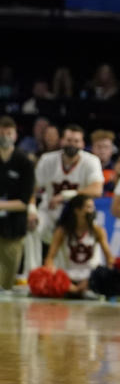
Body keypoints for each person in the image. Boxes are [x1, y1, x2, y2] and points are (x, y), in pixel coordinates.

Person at [29, 125, 104, 270]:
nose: (72, 144)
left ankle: (90, 274)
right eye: (69, 140)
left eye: (76, 141)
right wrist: (31, 210)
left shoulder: (91, 161)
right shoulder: (47, 159)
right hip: (49, 211)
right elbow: (32, 188)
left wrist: (64, 196)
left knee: (91, 234)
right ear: (62, 141)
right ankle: (32, 273)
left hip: (78, 214)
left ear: (82, 143)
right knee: (32, 227)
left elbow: (97, 189)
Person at [44, 195, 113, 297]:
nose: (92, 211)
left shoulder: (98, 230)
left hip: (91, 278)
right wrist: (64, 282)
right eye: (88, 207)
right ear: (77, 210)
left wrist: (92, 280)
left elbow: (110, 259)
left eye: (92, 207)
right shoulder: (62, 231)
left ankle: (88, 289)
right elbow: (49, 259)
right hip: (67, 278)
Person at [0, 117, 34, 291]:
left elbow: (24, 201)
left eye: (9, 133)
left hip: (14, 225)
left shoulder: (24, 162)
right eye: (1, 132)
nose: (4, 136)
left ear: (15, 135)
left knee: (6, 279)